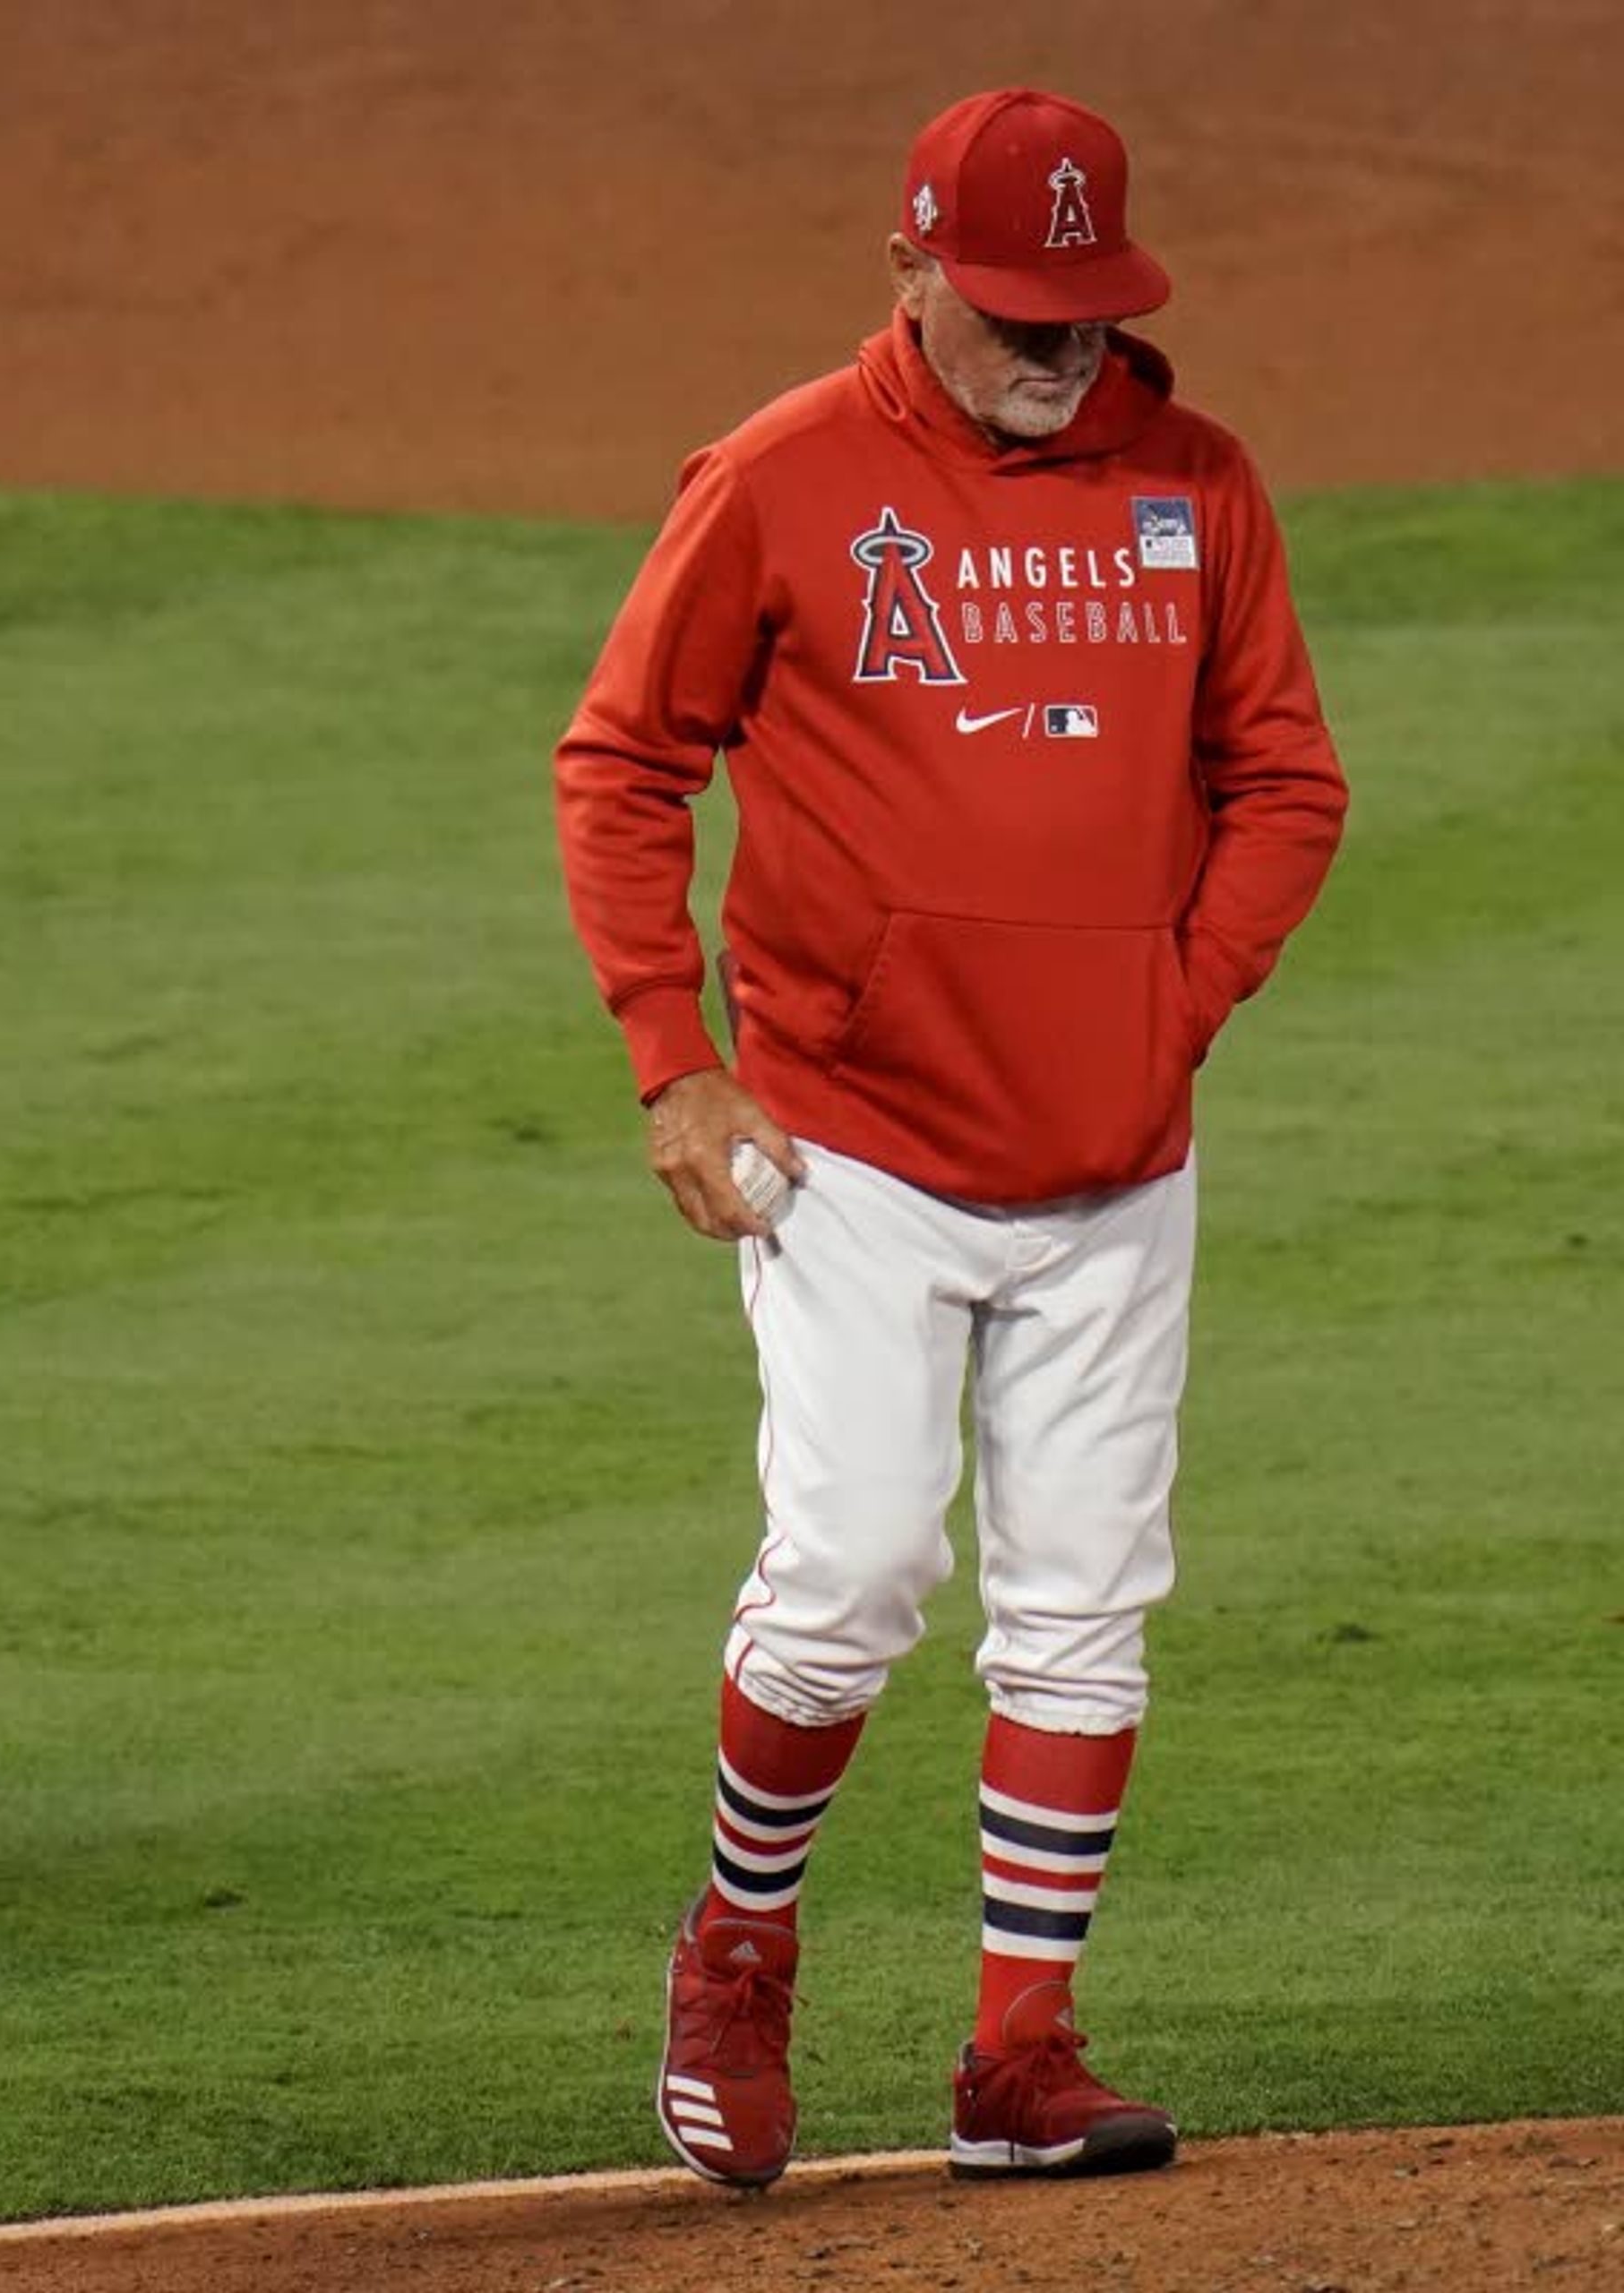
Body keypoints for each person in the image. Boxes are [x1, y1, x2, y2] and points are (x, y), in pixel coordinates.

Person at [552, 88, 1348, 2187]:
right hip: (856, 1146)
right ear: (906, 269)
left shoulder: (1199, 487)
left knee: (1085, 1602)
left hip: (1120, 1166)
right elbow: (626, 758)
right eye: (1010, 306)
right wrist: (672, 1054)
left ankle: (1022, 2047)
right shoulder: (790, 476)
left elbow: (1288, 783)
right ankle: (738, 1941)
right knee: (852, 1569)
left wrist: (1165, 1004)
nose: (1054, 344)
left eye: (1084, 307)